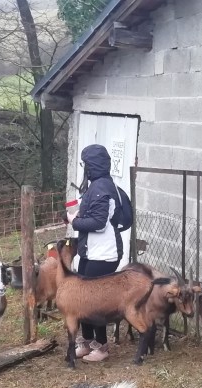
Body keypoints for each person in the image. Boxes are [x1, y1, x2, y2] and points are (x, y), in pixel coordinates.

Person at [66, 144, 123, 362]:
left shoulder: (101, 187)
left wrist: (74, 221)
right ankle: (88, 341)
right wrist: (73, 214)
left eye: (86, 164)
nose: (84, 169)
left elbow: (99, 223)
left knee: (94, 302)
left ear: (92, 165)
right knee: (83, 298)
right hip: (91, 252)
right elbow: (91, 211)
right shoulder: (99, 185)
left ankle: (102, 347)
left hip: (103, 254)